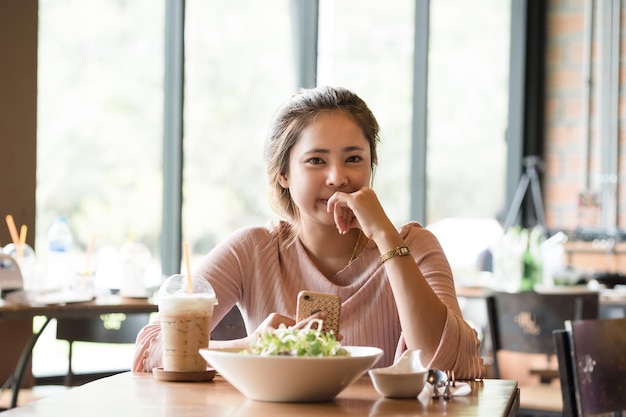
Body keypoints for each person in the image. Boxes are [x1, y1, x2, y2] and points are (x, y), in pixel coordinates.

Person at [133, 86, 485, 379]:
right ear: (283, 174)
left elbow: (448, 363)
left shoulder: (414, 246)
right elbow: (152, 347)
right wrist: (251, 346)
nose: (337, 177)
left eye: (354, 159)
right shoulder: (253, 249)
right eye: (316, 160)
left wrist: (385, 237)